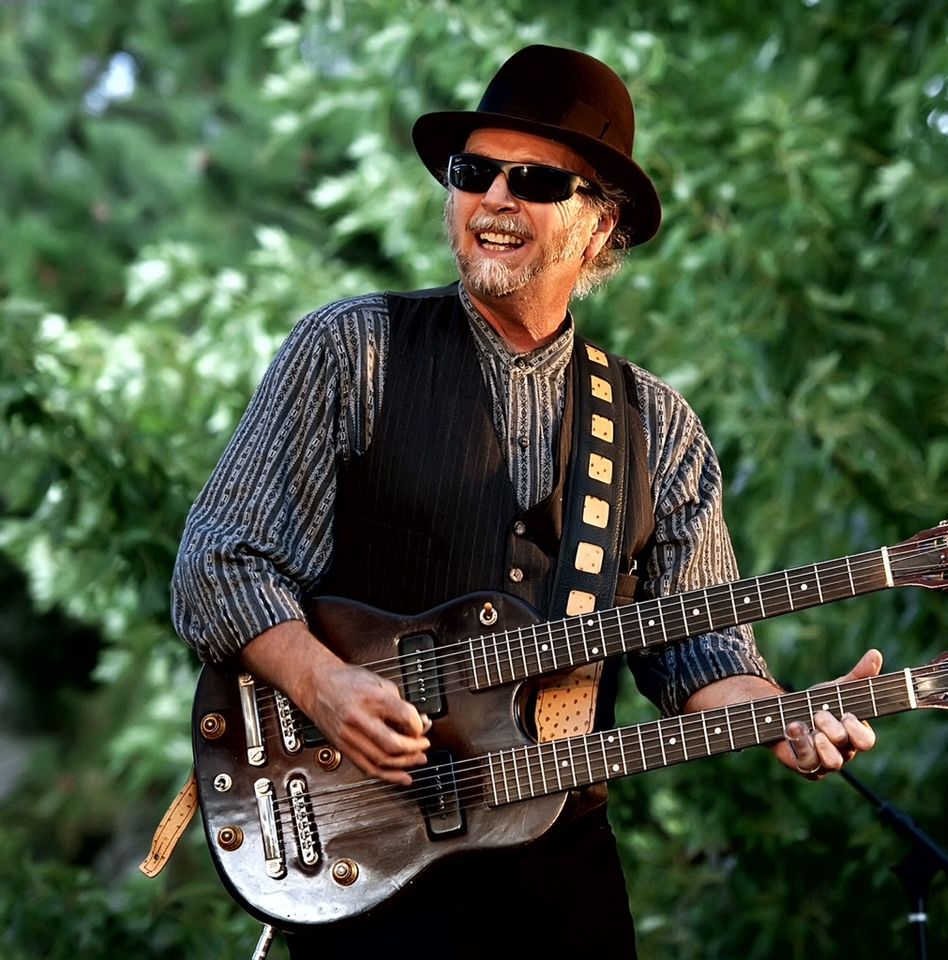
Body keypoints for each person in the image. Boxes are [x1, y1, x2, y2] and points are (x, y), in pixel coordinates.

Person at [172, 44, 879, 958]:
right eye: (475, 173)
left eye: (535, 181)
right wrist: (326, 684)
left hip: (561, 882)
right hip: (367, 863)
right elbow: (217, 563)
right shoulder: (353, 349)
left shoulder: (657, 425)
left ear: (600, 224)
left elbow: (701, 650)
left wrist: (780, 713)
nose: (495, 199)